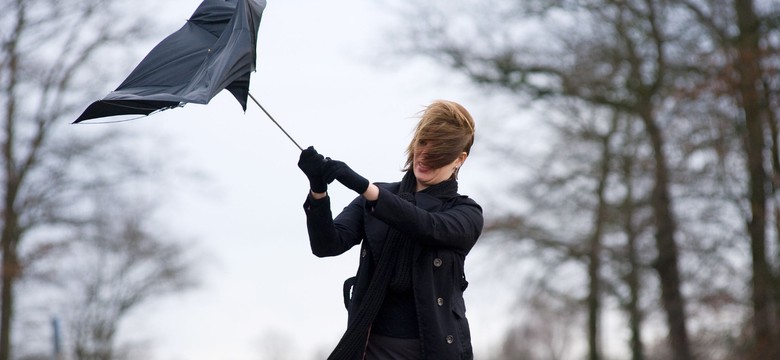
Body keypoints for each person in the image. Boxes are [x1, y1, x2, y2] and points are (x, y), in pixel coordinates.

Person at [297, 100, 483, 360]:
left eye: (438, 154)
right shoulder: (377, 196)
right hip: (369, 346)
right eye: (423, 143)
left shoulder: (466, 213)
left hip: (431, 351)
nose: (425, 156)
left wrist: (366, 189)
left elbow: (427, 226)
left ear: (459, 160)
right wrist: (318, 190)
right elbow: (327, 245)